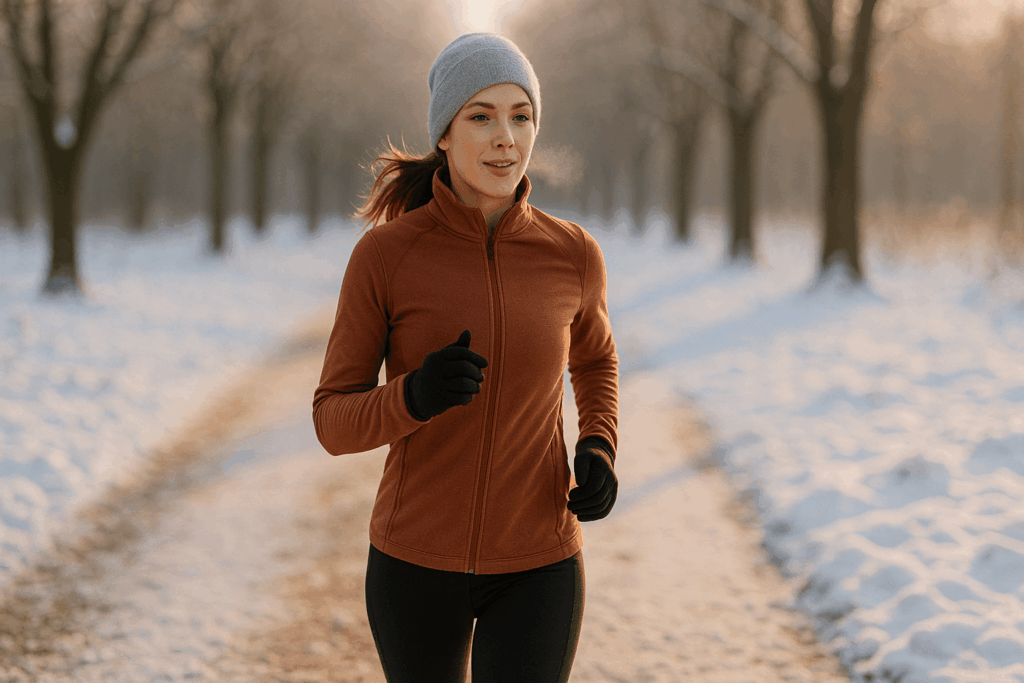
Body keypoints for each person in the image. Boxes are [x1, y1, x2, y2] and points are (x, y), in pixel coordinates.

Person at [312, 32, 619, 683]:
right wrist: (413, 397)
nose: (505, 136)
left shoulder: (573, 254)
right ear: (444, 134)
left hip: (540, 562)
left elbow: (594, 362)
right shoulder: (386, 256)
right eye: (481, 116)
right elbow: (331, 420)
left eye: (521, 114)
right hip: (413, 565)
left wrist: (599, 442)